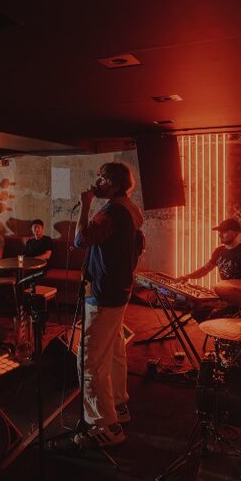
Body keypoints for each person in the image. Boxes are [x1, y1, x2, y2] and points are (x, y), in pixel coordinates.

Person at [72, 162, 144, 448]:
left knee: (89, 360)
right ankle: (118, 405)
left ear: (113, 185)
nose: (97, 182)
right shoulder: (131, 209)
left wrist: (85, 205)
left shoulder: (110, 211)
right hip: (120, 290)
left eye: (101, 178)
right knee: (114, 351)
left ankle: (104, 425)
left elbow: (80, 240)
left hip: (102, 294)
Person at [175, 218, 241, 283]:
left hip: (240, 298)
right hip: (227, 293)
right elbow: (205, 269)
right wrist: (187, 276)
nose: (220, 235)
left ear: (235, 234)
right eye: (219, 232)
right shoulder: (218, 251)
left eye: (224, 231)